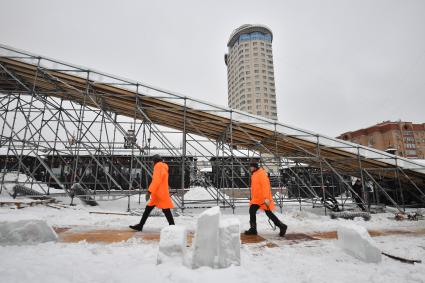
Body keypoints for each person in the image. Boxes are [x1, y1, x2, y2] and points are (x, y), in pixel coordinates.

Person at [129, 155, 175, 231]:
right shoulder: (164, 167)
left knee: (165, 210)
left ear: (155, 161)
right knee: (152, 209)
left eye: (152, 161)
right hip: (161, 193)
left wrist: (149, 191)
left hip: (158, 193)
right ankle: (140, 225)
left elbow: (156, 181)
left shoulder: (158, 167)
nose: (152, 163)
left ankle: (173, 227)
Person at [245, 162, 288, 237]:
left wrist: (266, 198)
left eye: (251, 167)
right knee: (252, 210)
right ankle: (253, 229)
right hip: (257, 199)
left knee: (268, 213)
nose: (250, 168)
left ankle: (282, 226)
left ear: (254, 167)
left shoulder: (261, 174)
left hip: (263, 198)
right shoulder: (254, 174)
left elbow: (265, 186)